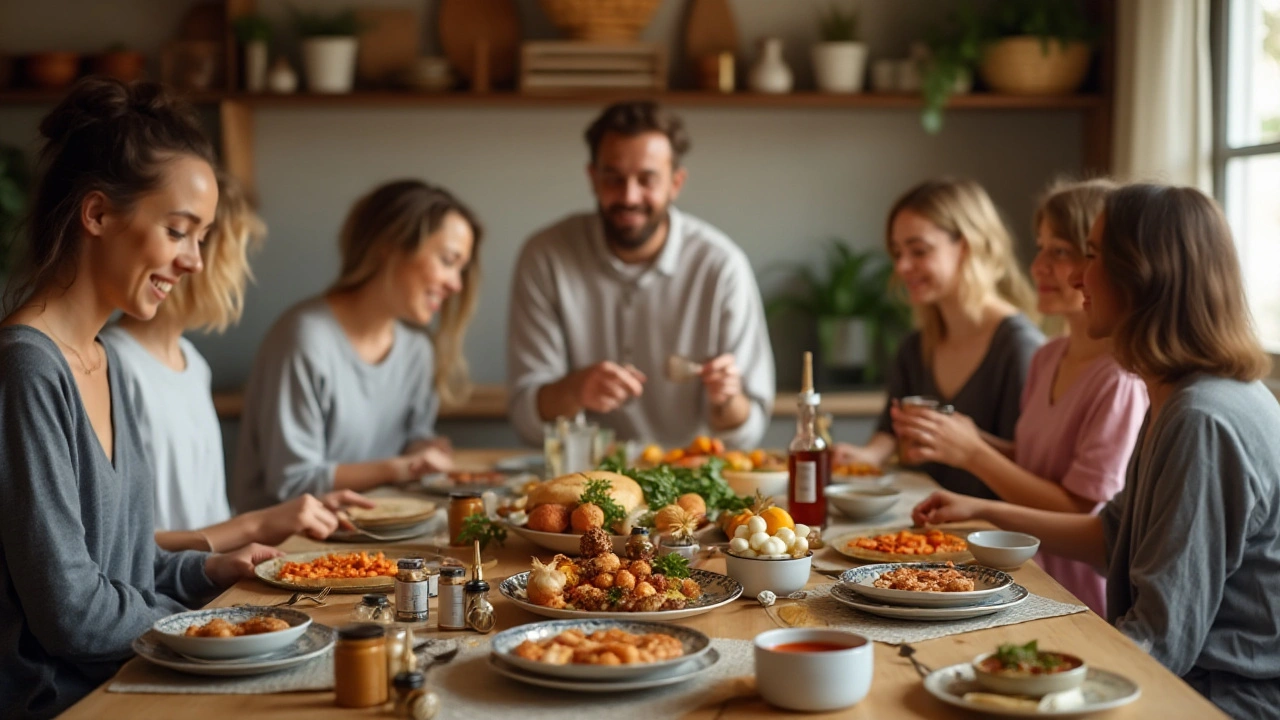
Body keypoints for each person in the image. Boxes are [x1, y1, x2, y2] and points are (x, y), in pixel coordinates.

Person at [913, 184, 1280, 720]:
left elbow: (1161, 640)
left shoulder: (1202, 418)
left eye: (1089, 255)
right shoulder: (1177, 395)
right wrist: (982, 510)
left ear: (1143, 273)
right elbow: (1114, 537)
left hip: (1216, 701)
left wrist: (1002, 679)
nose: (1076, 277)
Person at [0, 78, 281, 720]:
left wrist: (209, 574)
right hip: (65, 701)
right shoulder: (26, 371)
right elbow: (73, 612)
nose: (196, 262)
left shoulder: (104, 362)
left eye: (203, 237)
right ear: (97, 214)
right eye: (179, 231)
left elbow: (126, 566)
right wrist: (217, 632)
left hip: (123, 678)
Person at [890, 179, 1146, 616]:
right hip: (1014, 571)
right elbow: (1035, 461)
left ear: (1099, 263)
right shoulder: (1049, 356)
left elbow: (1080, 506)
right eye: (1041, 248)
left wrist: (973, 454)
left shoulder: (1119, 379)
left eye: (1061, 252)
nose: (1038, 266)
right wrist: (975, 439)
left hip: (1067, 593)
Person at [100, 172, 374, 552]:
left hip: (207, 586)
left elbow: (207, 520)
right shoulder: (114, 365)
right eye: (237, 255)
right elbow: (123, 549)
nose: (241, 275)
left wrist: (293, 515)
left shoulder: (193, 365)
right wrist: (256, 524)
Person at [507, 100, 775, 449]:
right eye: (614, 179)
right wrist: (575, 389)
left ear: (675, 183)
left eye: (647, 180)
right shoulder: (545, 257)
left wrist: (726, 400)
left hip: (688, 481)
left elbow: (747, 432)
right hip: (584, 480)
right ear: (593, 178)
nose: (629, 196)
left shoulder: (721, 266)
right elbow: (527, 419)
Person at [231, 179, 481, 511]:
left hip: (372, 537)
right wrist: (398, 468)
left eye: (461, 269)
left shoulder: (417, 350)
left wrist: (423, 449)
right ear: (389, 245)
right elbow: (292, 483)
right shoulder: (304, 339)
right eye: (448, 261)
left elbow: (412, 439)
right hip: (284, 549)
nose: (456, 284)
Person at [834, 178, 1044, 499]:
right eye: (897, 252)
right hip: (925, 526)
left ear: (967, 246)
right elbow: (892, 430)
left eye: (919, 250)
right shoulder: (915, 346)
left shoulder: (1019, 348)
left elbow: (1030, 464)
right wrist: (866, 456)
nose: (902, 266)